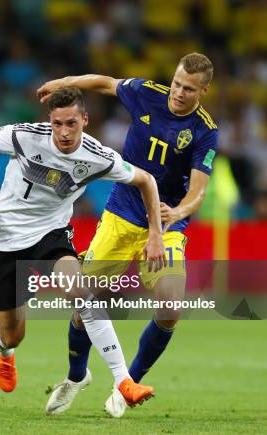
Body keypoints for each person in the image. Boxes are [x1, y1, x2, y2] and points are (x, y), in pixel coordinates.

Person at [0, 87, 166, 412]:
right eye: (58, 123)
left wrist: (156, 232)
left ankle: (123, 381)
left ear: (85, 120)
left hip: (51, 237)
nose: (64, 132)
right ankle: (3, 350)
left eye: (71, 123)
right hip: (3, 243)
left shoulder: (98, 157)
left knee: (82, 293)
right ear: (50, 120)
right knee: (13, 334)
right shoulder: (24, 137)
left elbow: (146, 180)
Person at [37, 53, 218, 417]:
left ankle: (127, 384)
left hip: (166, 223)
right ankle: (76, 377)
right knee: (85, 303)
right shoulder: (146, 92)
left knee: (170, 307)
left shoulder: (205, 130)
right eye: (178, 83)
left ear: (204, 90)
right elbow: (104, 82)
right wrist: (63, 82)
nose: (179, 93)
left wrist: (177, 212)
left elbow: (198, 191)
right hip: (123, 212)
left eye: (189, 89)